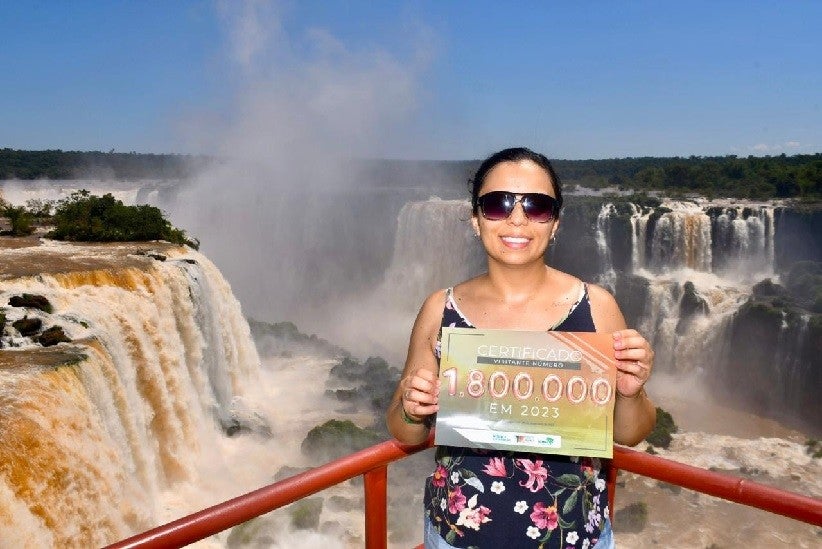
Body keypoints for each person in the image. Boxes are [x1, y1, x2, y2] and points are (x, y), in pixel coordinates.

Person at [386, 147, 656, 548]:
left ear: (555, 222)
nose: (517, 218)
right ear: (475, 220)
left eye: (536, 205)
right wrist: (411, 408)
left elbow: (630, 434)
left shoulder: (597, 307)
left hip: (574, 537)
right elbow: (402, 431)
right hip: (457, 536)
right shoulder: (439, 310)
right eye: (497, 204)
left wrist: (630, 392)